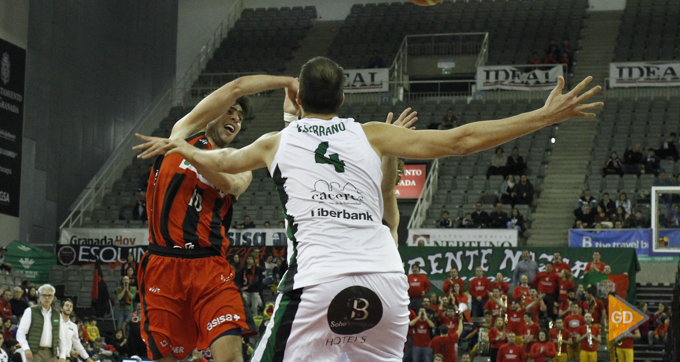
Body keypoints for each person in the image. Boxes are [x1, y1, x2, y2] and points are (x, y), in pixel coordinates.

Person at [134, 58, 601, 361]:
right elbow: (462, 140)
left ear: (299, 101)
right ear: (343, 101)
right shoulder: (372, 134)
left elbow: (223, 163)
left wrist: (181, 147)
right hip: (387, 284)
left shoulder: (275, 142)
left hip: (319, 281)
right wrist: (545, 116)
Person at [132, 74, 299, 362]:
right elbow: (237, 87)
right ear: (211, 114)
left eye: (241, 117)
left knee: (231, 356)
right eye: (230, 110)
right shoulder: (182, 133)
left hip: (209, 267)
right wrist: (287, 81)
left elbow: (231, 185)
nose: (235, 118)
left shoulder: (238, 160)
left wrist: (187, 152)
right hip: (163, 265)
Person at [16, 284, 60, 362]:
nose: (47, 298)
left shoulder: (57, 314)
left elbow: (60, 335)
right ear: (39, 296)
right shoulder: (30, 311)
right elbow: (20, 333)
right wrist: (26, 348)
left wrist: (62, 353)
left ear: (53, 297)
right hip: (35, 352)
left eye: (49, 295)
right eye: (44, 295)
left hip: (51, 353)